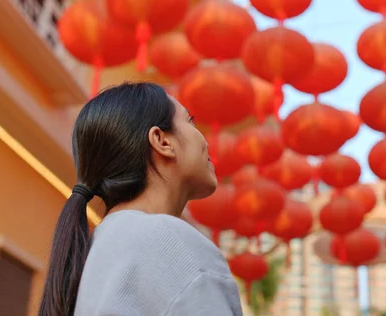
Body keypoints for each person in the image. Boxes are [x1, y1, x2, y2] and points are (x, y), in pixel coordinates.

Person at [38, 82, 243, 316]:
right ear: (162, 141)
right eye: (190, 121)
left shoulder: (96, 251)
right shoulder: (169, 242)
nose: (205, 141)